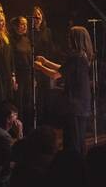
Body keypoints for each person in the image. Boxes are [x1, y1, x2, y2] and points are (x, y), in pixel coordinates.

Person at [35, 26, 93, 154]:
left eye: (69, 37)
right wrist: (46, 62)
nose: (68, 39)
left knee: (72, 141)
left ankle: (73, 167)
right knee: (80, 138)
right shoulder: (82, 55)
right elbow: (63, 68)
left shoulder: (76, 56)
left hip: (74, 102)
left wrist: (40, 67)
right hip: (82, 101)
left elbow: (56, 75)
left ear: (75, 39)